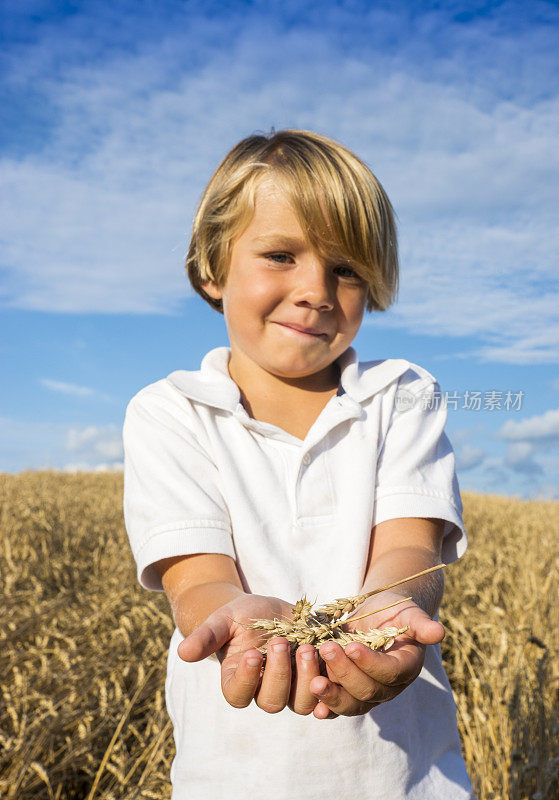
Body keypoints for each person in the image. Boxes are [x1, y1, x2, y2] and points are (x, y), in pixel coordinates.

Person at [122, 129, 475, 800]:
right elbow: (198, 581)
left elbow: (409, 546)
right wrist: (236, 619)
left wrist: (389, 607)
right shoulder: (170, 412)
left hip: (409, 779)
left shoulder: (401, 394)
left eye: (345, 269)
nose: (316, 288)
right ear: (211, 269)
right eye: (281, 254)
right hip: (234, 778)